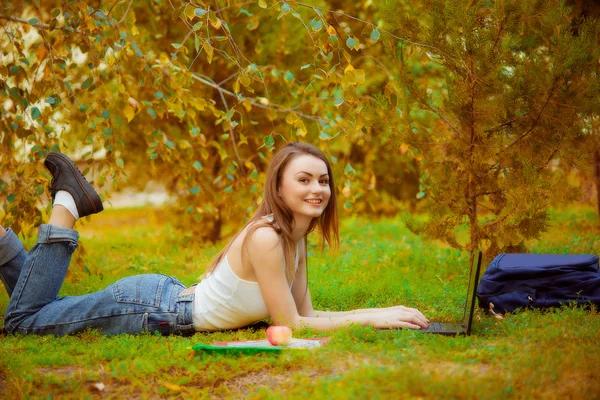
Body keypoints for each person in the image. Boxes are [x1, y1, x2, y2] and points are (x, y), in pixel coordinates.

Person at [0, 142, 429, 336]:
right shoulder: (267, 238)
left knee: (39, 311)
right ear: (278, 190)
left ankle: (3, 240)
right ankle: (67, 203)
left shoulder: (293, 237)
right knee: (26, 322)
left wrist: (380, 311)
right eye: (304, 179)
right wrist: (374, 316)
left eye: (323, 180)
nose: (317, 188)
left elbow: (305, 312)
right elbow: (291, 326)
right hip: (151, 310)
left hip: (162, 300)